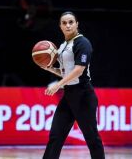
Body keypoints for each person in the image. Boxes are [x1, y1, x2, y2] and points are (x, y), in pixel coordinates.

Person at [41, 11, 105, 159]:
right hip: (69, 95)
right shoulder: (63, 45)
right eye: (64, 23)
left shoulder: (82, 43)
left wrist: (58, 85)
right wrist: (49, 68)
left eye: (71, 22)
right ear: (60, 26)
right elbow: (65, 72)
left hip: (83, 95)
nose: (68, 25)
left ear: (77, 24)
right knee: (55, 136)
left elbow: (79, 70)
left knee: (91, 138)